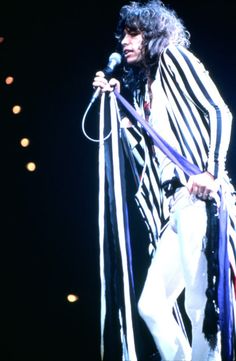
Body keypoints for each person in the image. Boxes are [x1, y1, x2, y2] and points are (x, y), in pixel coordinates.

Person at [91, 1, 236, 360]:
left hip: (200, 200)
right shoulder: (144, 91)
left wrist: (212, 171)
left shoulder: (173, 59)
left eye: (133, 33)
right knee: (152, 304)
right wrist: (116, 105)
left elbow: (219, 110)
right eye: (122, 34)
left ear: (153, 34)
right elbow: (148, 157)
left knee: (201, 307)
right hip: (173, 209)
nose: (124, 41)